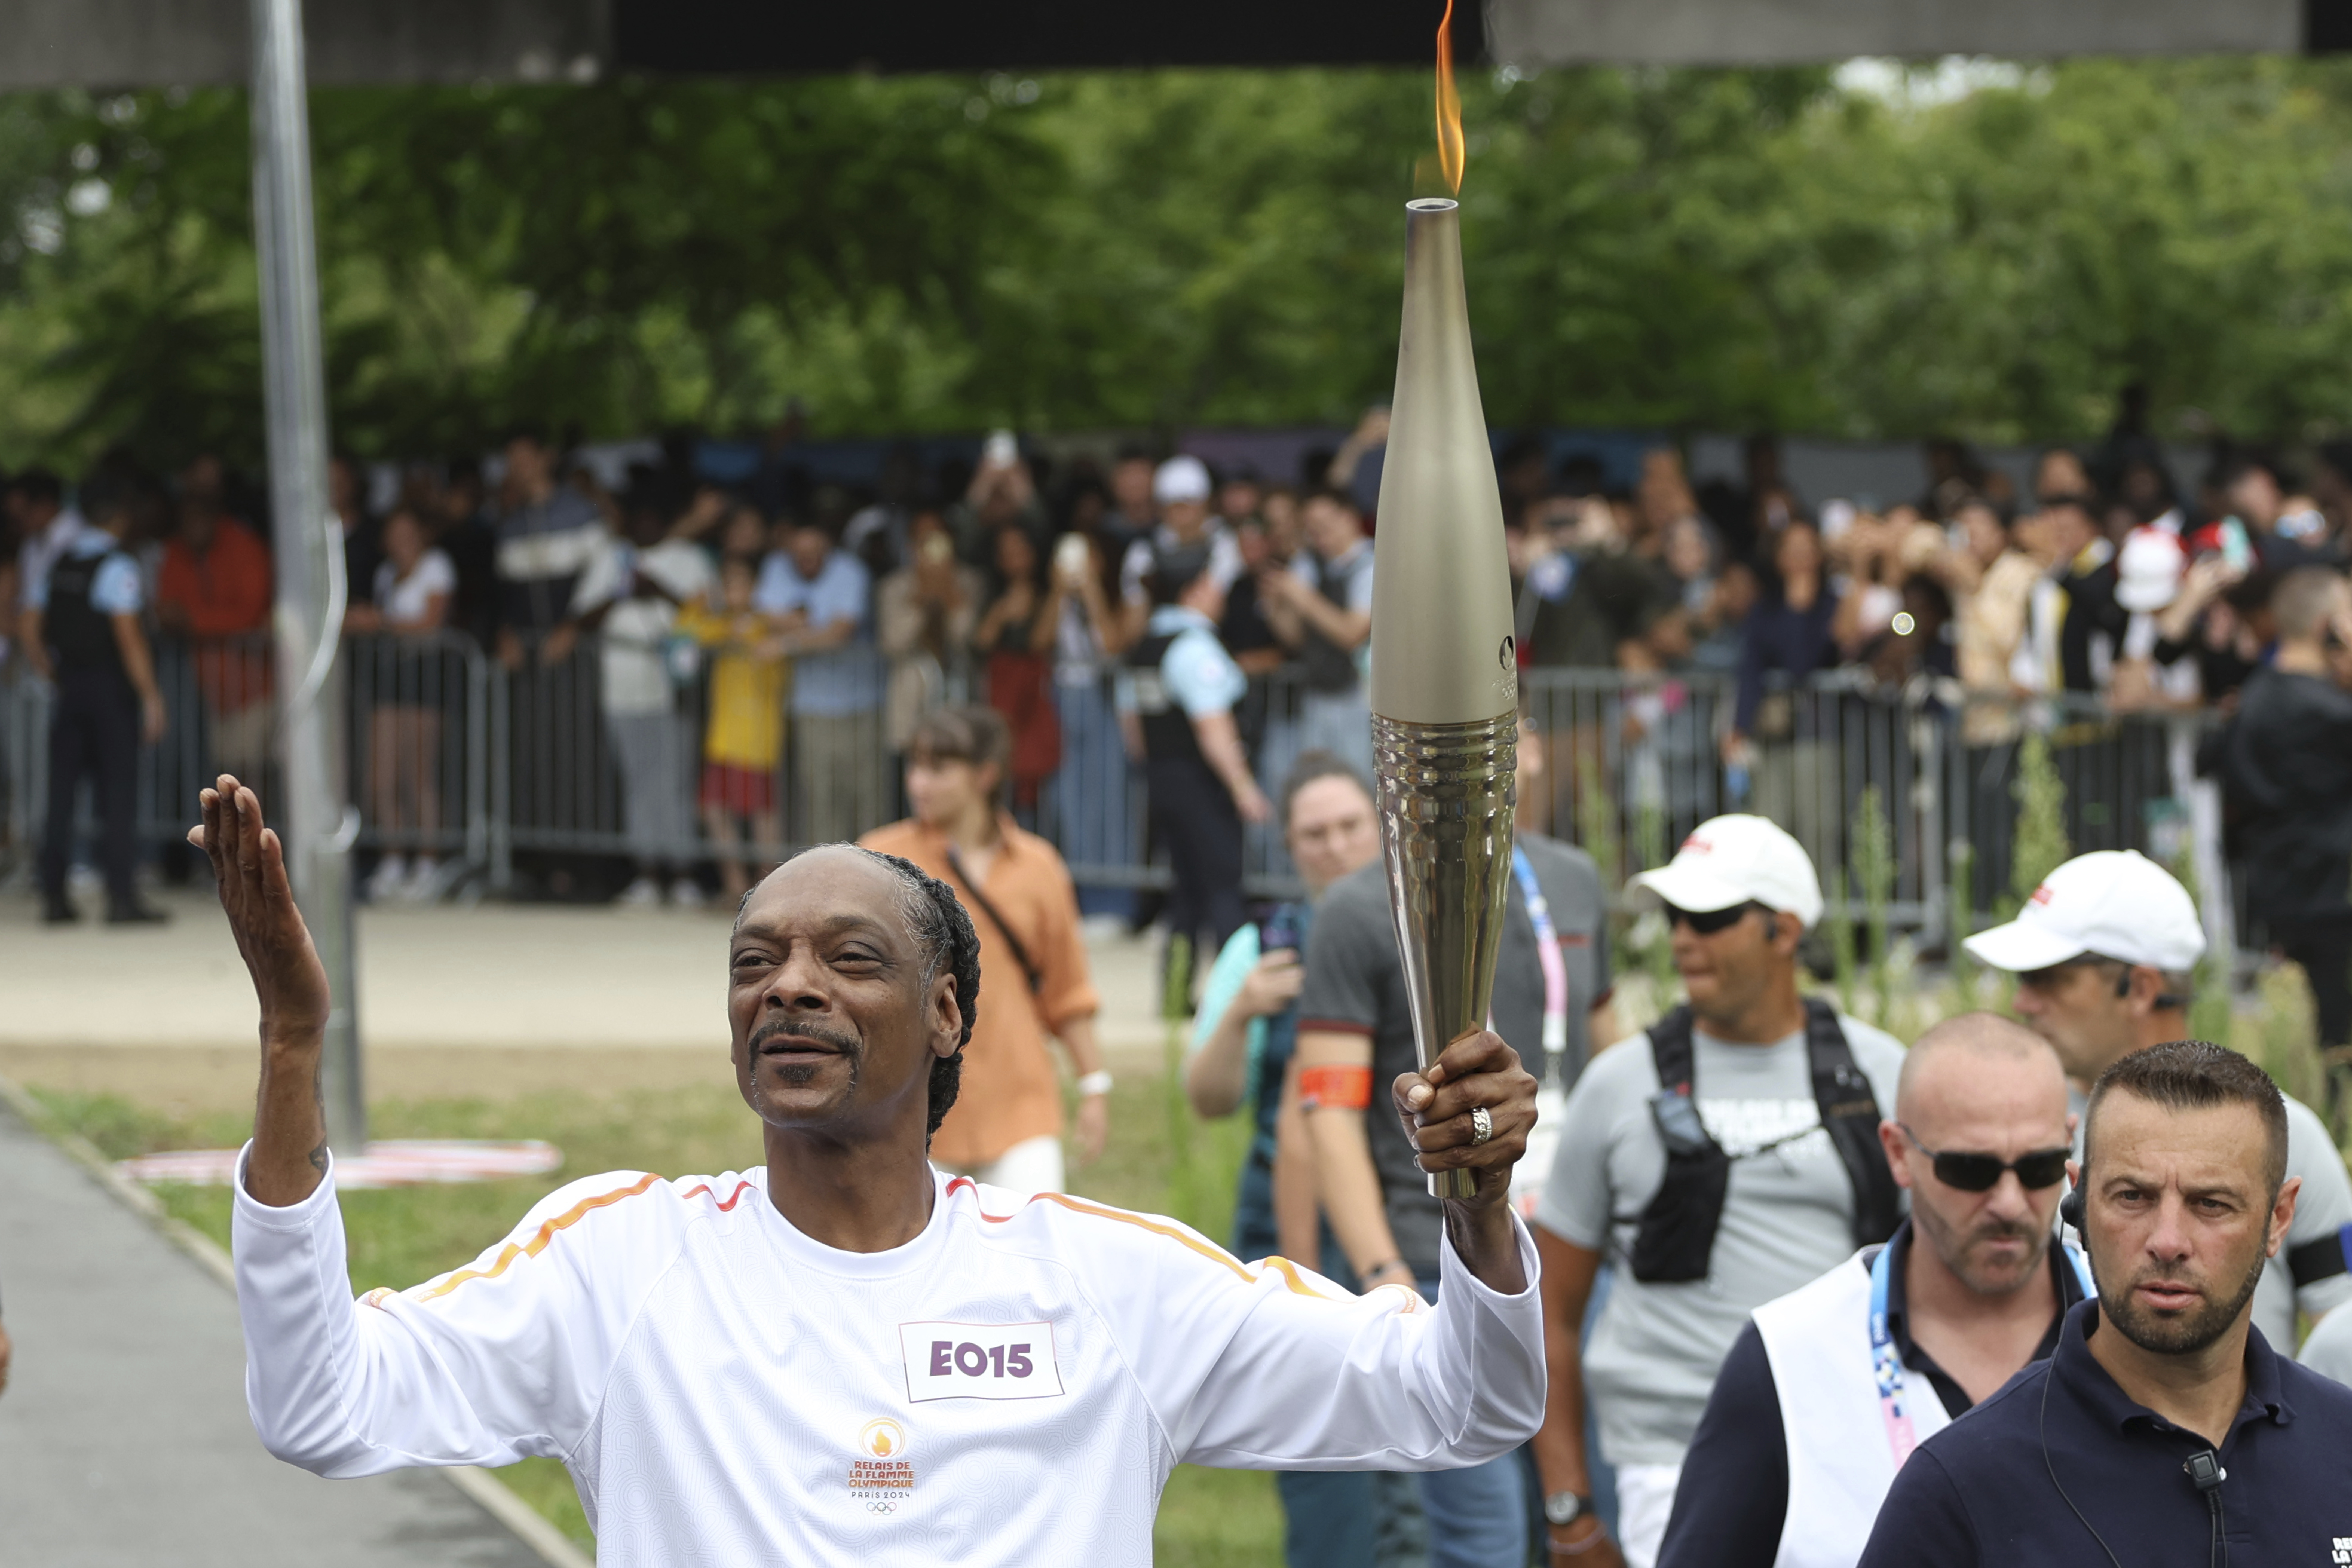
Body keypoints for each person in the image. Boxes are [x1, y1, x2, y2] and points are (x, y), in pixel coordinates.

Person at [195, 774, 1546, 1566]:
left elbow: (1466, 1402)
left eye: (849, 960)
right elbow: (321, 1406)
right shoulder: (617, 1265)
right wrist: (294, 1042)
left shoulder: (1105, 1283)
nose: (790, 987)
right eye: (755, 962)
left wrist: (1478, 1210)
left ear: (949, 1013)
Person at [1532, 815, 1908, 1568]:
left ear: (1785, 932)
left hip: (1848, 1444)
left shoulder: (1886, 1074)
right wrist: (1570, 1512)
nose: (1682, 940)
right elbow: (1549, 1314)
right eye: (1674, 918)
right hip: (1668, 1456)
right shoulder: (1618, 1083)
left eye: (1710, 919)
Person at [1295, 741, 1616, 1568]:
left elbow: (1608, 1059)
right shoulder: (1361, 908)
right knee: (1485, 1536)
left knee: (1590, 1517)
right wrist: (1380, 1271)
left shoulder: (1574, 880)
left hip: (1579, 1259)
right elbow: (1327, 1113)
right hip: (1442, 1257)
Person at [1856, 1040, 2352, 1566]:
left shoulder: (2342, 1443)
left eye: (2211, 1204)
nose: (2167, 1240)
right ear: (2079, 1204)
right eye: (2132, 1197)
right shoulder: (1960, 1487)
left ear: (2279, 1218)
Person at [1655, 1014, 2090, 1568]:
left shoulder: (2137, 1328)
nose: (2008, 1202)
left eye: (2039, 1167)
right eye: (1969, 1169)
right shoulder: (1790, 1356)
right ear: (1897, 1153)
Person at [1961, 849, 2352, 1353]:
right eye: (2131, 1196)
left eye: (2048, 978)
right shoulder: (2009, 1135)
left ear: (2141, 988)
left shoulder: (2284, 1134)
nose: (2023, 1002)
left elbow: (2341, 1337)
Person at [1186, 755, 1399, 1568]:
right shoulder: (1262, 943)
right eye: (1314, 833)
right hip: (1285, 1215)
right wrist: (1241, 1010)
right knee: (1319, 1444)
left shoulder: (1417, 931)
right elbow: (1207, 1098)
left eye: (1350, 826)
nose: (1335, 845)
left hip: (1396, 1212)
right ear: (1288, 842)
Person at [860, 706, 1110, 1194]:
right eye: (914, 767)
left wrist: (1094, 1086)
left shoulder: (1039, 866)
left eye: (938, 769)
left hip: (1020, 1109)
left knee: (1030, 1261)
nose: (919, 784)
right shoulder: (881, 860)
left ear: (986, 774)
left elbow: (1066, 991)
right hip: (913, 1110)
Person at [2216, 568, 2352, 1118]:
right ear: (2328, 627)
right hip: (2334, 892)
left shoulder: (2257, 696)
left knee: (2326, 1033)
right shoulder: (2329, 711)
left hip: (2288, 890)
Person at [1117, 544, 1269, 970]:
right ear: (1196, 589)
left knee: (1185, 891)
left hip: (1164, 780)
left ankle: (1175, 999)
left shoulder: (1145, 645)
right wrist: (1243, 787)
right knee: (1224, 887)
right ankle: (1236, 996)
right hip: (1204, 784)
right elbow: (1213, 728)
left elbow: (1133, 730)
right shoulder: (1194, 648)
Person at [566, 484, 715, 908]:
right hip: (622, 687)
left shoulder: (687, 559)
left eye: (654, 517)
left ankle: (684, 873)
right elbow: (583, 617)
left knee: (674, 781)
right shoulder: (610, 559)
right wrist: (622, 592)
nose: (645, 524)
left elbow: (706, 614)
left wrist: (659, 588)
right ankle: (648, 872)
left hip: (673, 690)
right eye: (639, 517)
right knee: (639, 782)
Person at [29, 473, 167, 926]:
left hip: (70, 687)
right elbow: (128, 637)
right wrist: (150, 696)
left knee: (62, 794)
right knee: (118, 793)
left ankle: (53, 897)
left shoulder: (60, 561)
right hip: (109, 689)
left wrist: (54, 674)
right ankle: (121, 899)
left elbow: (31, 628)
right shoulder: (117, 566)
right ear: (121, 515)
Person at [343, 506, 455, 902]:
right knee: (382, 776)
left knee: (418, 774)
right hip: (389, 678)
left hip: (425, 679)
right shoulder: (386, 574)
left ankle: (427, 862)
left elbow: (432, 623)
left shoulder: (437, 566)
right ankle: (393, 859)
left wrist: (381, 622)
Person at [757, 520, 885, 846]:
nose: (807, 561)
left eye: (815, 554)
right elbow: (766, 619)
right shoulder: (775, 567)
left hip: (861, 702)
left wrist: (789, 641)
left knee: (865, 795)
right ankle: (827, 880)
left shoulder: (851, 571)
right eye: (799, 555)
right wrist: (809, 630)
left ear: (830, 550)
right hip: (810, 705)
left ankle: (875, 877)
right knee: (819, 798)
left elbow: (840, 633)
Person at [155, 455, 274, 788]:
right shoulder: (176, 551)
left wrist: (192, 620)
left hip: (251, 685)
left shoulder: (245, 547)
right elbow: (165, 608)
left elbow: (249, 615)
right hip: (203, 690)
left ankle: (256, 838)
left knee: (247, 773)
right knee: (225, 774)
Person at [676, 558, 789, 904]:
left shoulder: (766, 625)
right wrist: (698, 603)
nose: (732, 592)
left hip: (757, 738)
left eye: (739, 584)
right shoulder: (722, 626)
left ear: (754, 589)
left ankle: (768, 886)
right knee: (714, 810)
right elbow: (684, 632)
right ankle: (734, 882)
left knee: (762, 815)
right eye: (727, 585)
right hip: (723, 739)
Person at [1260, 488, 1376, 783]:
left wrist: (1304, 598)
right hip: (1317, 694)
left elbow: (1352, 634)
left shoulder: (1374, 564)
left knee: (1360, 784)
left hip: (1363, 698)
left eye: (1325, 522)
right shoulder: (1308, 563)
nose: (1318, 532)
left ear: (1349, 518)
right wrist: (1275, 604)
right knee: (1316, 781)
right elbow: (1295, 638)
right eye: (1310, 526)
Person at [973, 526, 1061, 819]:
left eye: (1020, 549)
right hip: (1002, 698)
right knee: (1002, 767)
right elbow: (981, 641)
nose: (1014, 558)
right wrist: (1000, 613)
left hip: (1037, 699)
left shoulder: (1049, 593)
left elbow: (1040, 641)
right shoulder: (991, 593)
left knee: (1035, 771)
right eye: (1006, 552)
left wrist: (1054, 593)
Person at [1118, 456, 1242, 646]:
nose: (1182, 515)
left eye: (1188, 504)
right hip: (1159, 652)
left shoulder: (1226, 543)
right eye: (1173, 505)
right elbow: (1132, 630)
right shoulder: (1144, 552)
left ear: (1205, 503)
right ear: (1161, 508)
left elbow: (1208, 610)